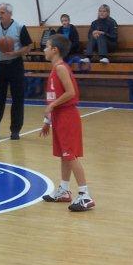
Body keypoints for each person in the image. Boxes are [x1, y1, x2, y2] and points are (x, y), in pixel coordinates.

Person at [40, 34, 95, 211]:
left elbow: (71, 92)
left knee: (70, 155)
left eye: (47, 46)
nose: (44, 49)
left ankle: (85, 195)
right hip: (58, 116)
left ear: (55, 50)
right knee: (64, 155)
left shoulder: (61, 68)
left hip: (67, 116)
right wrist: (47, 120)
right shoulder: (55, 68)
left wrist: (52, 106)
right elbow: (52, 97)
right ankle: (64, 190)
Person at [0, 2, 33, 141]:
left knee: (17, 99)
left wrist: (15, 53)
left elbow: (28, 46)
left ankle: (15, 130)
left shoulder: (20, 27)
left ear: (10, 13)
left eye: (2, 12)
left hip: (15, 65)